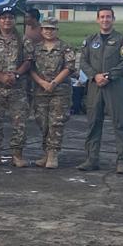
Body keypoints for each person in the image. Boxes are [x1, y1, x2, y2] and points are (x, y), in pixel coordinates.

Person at [77, 7, 123, 174]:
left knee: (119, 123)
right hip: (94, 86)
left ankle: (122, 161)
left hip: (114, 86)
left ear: (113, 19)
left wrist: (108, 76)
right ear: (97, 19)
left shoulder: (122, 40)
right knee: (93, 123)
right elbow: (83, 62)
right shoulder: (90, 40)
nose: (105, 20)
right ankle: (91, 159)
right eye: (102, 17)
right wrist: (95, 76)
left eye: (108, 17)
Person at [0, 6, 32, 167]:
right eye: (3, 18)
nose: (7, 20)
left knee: (19, 123)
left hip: (17, 88)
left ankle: (17, 154)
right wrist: (0, 75)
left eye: (10, 17)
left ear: (15, 20)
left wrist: (16, 74)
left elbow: (29, 60)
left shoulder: (23, 39)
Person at [28, 17, 76, 169]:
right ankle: (46, 152)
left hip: (59, 91)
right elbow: (30, 68)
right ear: (41, 30)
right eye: (46, 29)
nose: (48, 31)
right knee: (43, 122)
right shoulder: (35, 48)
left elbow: (69, 67)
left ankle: (53, 154)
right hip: (40, 90)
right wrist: (42, 83)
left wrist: (54, 83)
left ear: (57, 30)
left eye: (52, 29)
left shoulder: (65, 47)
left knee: (56, 122)